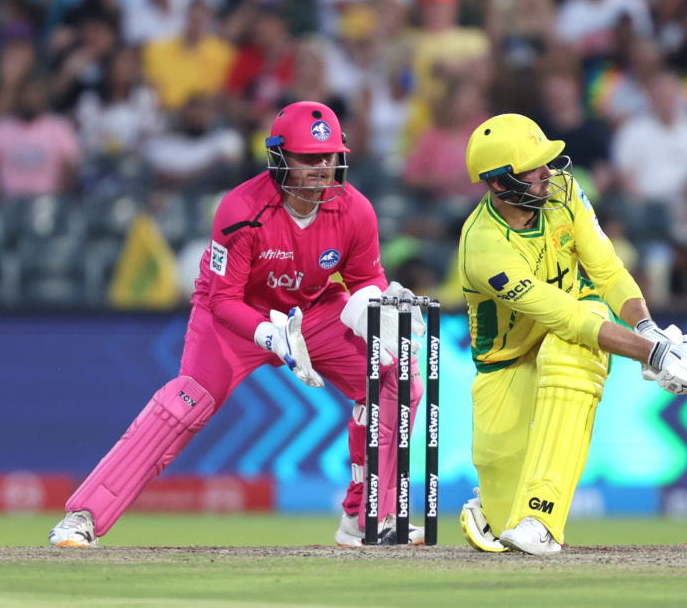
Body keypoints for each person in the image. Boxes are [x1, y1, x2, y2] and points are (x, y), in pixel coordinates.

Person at [49, 101, 426, 548]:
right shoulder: (241, 208)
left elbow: (366, 278)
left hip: (314, 309)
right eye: (309, 158)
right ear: (280, 156)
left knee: (395, 379)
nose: (322, 168)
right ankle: (84, 516)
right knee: (186, 402)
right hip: (233, 315)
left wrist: (373, 308)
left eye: (329, 157)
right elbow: (224, 299)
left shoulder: (356, 210)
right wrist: (273, 337)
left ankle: (368, 520)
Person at [456, 113, 687, 555]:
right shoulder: (484, 248)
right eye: (534, 167)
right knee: (502, 518)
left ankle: (541, 519)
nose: (548, 173)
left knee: (571, 348)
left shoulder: (565, 195)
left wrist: (647, 329)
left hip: (578, 330)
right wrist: (654, 355)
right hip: (506, 363)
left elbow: (606, 269)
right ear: (500, 184)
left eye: (546, 161)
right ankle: (496, 505)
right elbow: (563, 317)